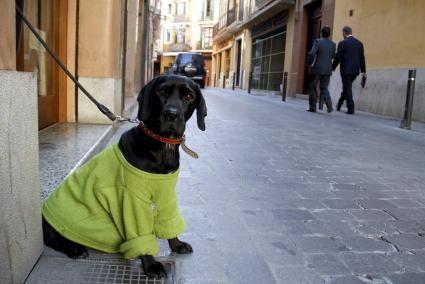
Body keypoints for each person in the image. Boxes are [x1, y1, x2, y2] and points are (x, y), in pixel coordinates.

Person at [332, 26, 366, 114]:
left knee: (348, 88)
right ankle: (339, 105)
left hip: (346, 71)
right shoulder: (359, 43)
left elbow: (338, 57)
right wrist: (363, 71)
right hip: (355, 71)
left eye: (342, 33)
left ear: (344, 32)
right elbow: (362, 58)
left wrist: (332, 68)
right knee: (347, 87)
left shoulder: (342, 43)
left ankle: (351, 109)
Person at [306, 26, 336, 113]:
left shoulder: (317, 41)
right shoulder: (333, 44)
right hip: (327, 69)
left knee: (312, 86)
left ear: (321, 33)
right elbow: (333, 56)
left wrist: (309, 63)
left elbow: (312, 54)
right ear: (329, 34)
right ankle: (329, 106)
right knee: (324, 88)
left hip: (317, 69)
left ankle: (312, 107)